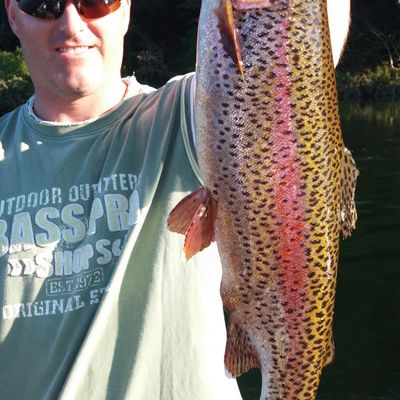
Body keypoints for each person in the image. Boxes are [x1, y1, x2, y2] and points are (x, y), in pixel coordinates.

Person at [0, 0, 351, 399]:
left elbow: (291, 72)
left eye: (95, 1)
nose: (71, 22)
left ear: (125, 8)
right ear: (12, 13)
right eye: (42, 3)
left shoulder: (189, 116)